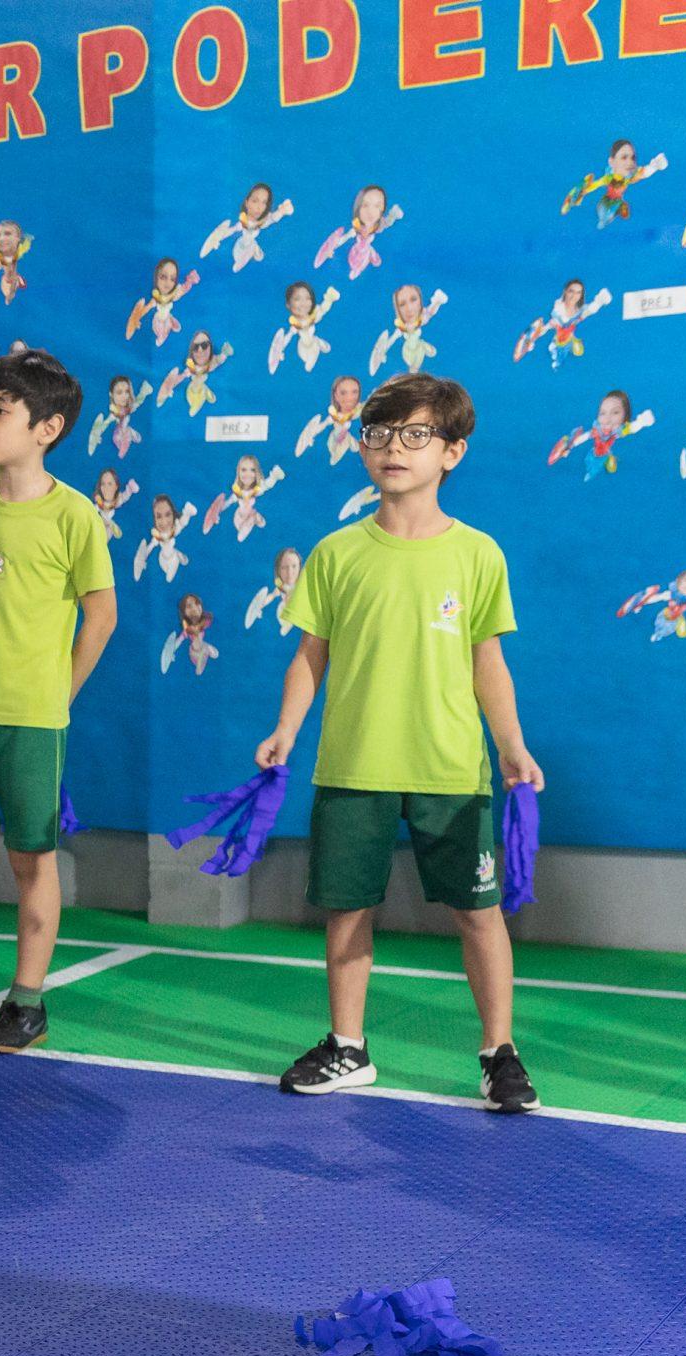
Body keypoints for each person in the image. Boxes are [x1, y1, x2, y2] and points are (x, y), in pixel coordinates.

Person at [253, 373, 544, 1113]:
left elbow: (488, 661)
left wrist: (511, 745)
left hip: (451, 768)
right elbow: (309, 656)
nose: (393, 448)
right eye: (378, 433)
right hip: (354, 764)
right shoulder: (336, 553)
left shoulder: (477, 554)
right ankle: (348, 1046)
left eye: (415, 435)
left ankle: (499, 1053)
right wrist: (286, 728)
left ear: (452, 452)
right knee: (348, 908)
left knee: (478, 912)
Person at [0, 349, 117, 1053]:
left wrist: (55, 694)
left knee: (32, 859)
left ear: (47, 428)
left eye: (1, 411)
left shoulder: (74, 515)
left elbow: (102, 616)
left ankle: (27, 1002)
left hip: (32, 723)